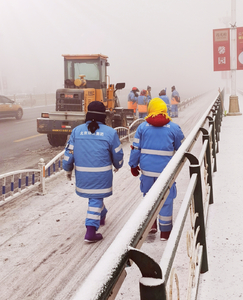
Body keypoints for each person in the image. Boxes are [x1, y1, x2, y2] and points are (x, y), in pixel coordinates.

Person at [62, 101, 124, 243]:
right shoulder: (110, 132)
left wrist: (67, 169)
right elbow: (117, 153)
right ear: (104, 115)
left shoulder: (77, 131)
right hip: (102, 175)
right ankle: (90, 231)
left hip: (83, 175)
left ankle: (102, 215)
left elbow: (69, 152)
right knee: (96, 197)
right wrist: (118, 164)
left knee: (94, 197)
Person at [128, 97, 184, 241]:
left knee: (148, 197)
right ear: (165, 110)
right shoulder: (174, 128)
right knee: (166, 199)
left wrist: (133, 165)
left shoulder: (142, 127)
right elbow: (182, 148)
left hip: (147, 172)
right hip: (166, 172)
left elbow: (135, 149)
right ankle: (165, 232)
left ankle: (151, 225)